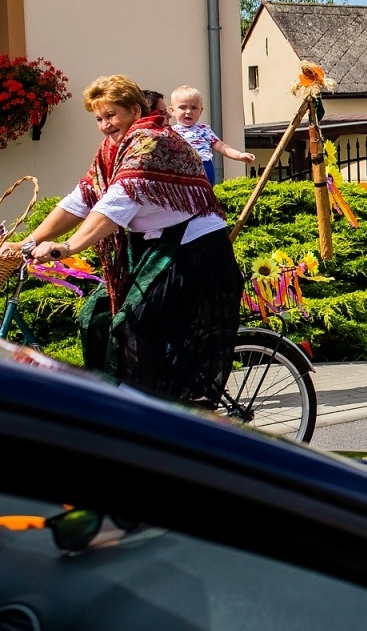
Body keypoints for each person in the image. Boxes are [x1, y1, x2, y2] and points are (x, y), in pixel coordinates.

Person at [3, 75, 243, 404]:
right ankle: (114, 398)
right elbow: (80, 200)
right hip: (152, 246)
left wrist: (68, 247)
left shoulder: (151, 141)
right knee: (96, 315)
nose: (104, 125)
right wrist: (26, 243)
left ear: (134, 110)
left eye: (111, 115)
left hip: (193, 246)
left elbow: (115, 207)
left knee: (133, 323)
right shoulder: (112, 149)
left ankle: (149, 410)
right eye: (99, 118)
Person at [169, 84, 255, 184]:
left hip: (205, 166)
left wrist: (239, 155)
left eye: (194, 108)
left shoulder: (204, 130)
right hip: (182, 167)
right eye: (183, 107)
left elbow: (221, 146)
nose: (188, 112)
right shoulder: (171, 132)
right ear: (172, 111)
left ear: (200, 111)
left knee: (205, 193)